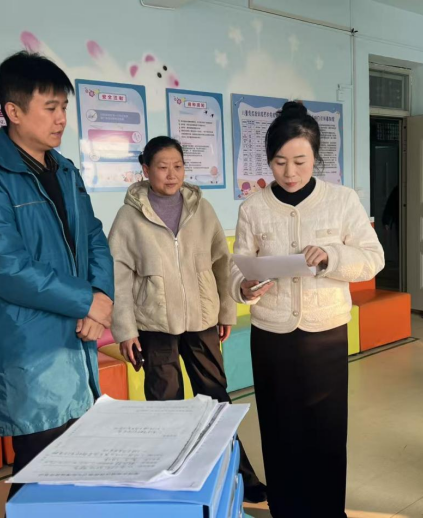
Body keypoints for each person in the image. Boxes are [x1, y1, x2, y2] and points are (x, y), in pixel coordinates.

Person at [0, 52, 115, 501]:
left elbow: (94, 236)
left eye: (64, 107)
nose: (62, 118)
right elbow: (5, 269)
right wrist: (87, 300)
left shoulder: (65, 170)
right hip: (29, 350)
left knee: (78, 465)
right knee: (39, 472)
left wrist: (100, 297)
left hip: (77, 339)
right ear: (14, 111)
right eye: (51, 107)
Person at [231, 102, 385, 518]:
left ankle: (329, 512)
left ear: (316, 157)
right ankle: (286, 510)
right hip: (271, 334)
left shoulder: (342, 200)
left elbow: (373, 258)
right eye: (279, 162)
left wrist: (333, 256)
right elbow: (237, 263)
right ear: (269, 160)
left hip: (325, 333)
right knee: (279, 428)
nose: (290, 172)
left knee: (326, 430)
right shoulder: (253, 207)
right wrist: (242, 286)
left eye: (300, 161)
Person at [108, 136, 268, 504]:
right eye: (162, 167)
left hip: (202, 321)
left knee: (217, 401)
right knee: (166, 407)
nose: (171, 174)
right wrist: (126, 330)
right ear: (145, 170)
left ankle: (241, 477)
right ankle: (173, 484)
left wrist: (226, 311)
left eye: (178, 166)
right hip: (155, 325)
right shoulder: (129, 217)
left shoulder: (202, 209)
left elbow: (222, 263)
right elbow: (118, 278)